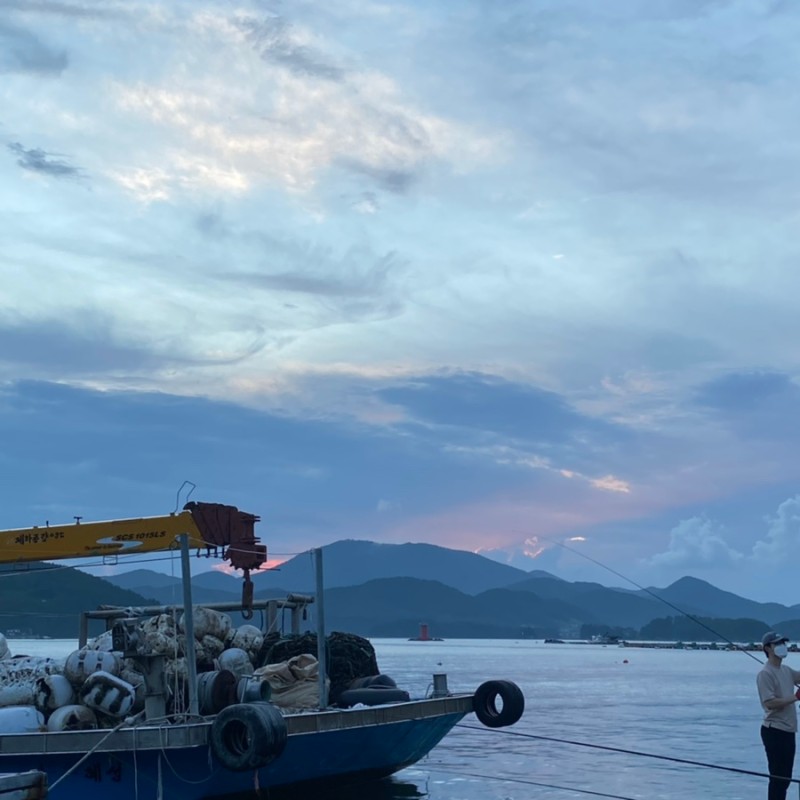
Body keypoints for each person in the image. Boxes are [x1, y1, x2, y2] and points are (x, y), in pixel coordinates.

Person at [757, 631, 800, 800]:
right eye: (778, 643)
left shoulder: (785, 670)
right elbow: (769, 703)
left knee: (786, 778)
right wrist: (795, 697)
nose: (783, 646)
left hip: (789, 730)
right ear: (768, 648)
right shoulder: (765, 674)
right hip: (774, 730)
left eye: (784, 643)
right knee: (778, 778)